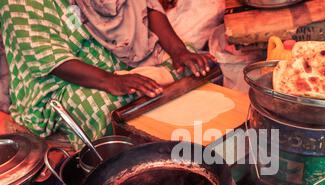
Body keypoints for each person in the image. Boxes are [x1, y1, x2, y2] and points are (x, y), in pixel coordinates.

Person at [0, 0, 214, 149]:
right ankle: (131, 167)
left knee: (192, 65)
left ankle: (185, 142)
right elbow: (47, 57)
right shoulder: (18, 3)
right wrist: (110, 80)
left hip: (117, 59)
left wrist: (179, 51)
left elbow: (147, 6)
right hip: (56, 82)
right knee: (105, 107)